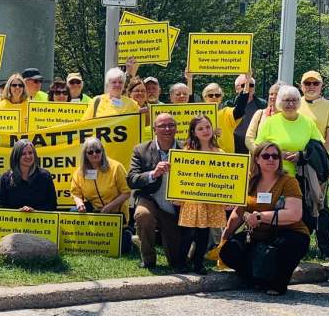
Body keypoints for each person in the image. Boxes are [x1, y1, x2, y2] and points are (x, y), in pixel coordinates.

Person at [218, 141, 309, 296]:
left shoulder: (288, 182)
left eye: (275, 156)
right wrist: (226, 236)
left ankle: (278, 283)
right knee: (228, 251)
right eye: (266, 156)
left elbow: (294, 214)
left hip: (289, 232)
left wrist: (260, 216)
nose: (271, 159)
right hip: (258, 235)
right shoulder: (249, 183)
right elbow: (238, 212)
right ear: (257, 159)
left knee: (287, 244)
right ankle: (257, 279)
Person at [127, 112, 184, 270]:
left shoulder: (186, 148)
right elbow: (131, 179)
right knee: (142, 215)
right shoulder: (141, 150)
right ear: (154, 129)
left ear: (176, 129)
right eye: (162, 126)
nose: (167, 129)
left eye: (171, 125)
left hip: (174, 204)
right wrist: (153, 174)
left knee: (176, 260)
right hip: (150, 198)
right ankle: (148, 258)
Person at [296, 70, 329, 257]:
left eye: (315, 83)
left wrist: (310, 157)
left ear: (321, 86)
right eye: (307, 84)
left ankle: (325, 248)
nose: (311, 87)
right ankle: (301, 244)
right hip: (295, 163)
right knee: (299, 204)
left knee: (321, 205)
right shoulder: (294, 104)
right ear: (301, 86)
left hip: (318, 164)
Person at [175, 115, 227, 274]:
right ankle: (181, 263)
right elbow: (179, 177)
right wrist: (176, 196)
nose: (205, 131)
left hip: (211, 200)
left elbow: (226, 178)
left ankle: (198, 263)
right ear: (193, 132)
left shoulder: (220, 152)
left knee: (204, 233)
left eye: (207, 127)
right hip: (191, 200)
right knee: (188, 233)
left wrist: (229, 199)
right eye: (200, 128)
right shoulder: (187, 152)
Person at [254, 85, 323, 176]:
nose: (291, 104)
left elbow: (320, 148)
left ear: (299, 101)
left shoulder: (308, 123)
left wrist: (302, 155)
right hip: (273, 176)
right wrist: (277, 154)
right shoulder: (270, 122)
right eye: (287, 100)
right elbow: (258, 148)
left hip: (302, 178)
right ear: (279, 102)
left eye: (294, 100)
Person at [70, 137, 130, 239]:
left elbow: (127, 192)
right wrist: (79, 203)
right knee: (74, 211)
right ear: (85, 155)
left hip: (115, 213)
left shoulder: (116, 167)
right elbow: (75, 193)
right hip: (95, 212)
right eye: (90, 152)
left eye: (98, 151)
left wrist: (109, 207)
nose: (94, 154)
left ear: (102, 151)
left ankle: (127, 232)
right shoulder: (80, 172)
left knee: (122, 246)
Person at [0, 139, 56, 212]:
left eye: (30, 153)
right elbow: (0, 205)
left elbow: (52, 204)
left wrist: (34, 212)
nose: (28, 156)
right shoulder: (6, 178)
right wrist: (18, 213)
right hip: (13, 222)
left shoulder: (45, 176)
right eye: (23, 154)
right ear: (16, 156)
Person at [229, 73, 264, 154]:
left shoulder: (262, 105)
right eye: (244, 85)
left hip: (254, 149)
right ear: (236, 88)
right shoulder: (228, 105)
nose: (248, 88)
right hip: (233, 149)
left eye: (251, 85)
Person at [244, 83, 283, 150]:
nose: (273, 97)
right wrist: (259, 153)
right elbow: (249, 138)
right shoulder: (260, 114)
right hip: (258, 157)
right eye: (271, 94)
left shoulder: (286, 116)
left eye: (277, 94)